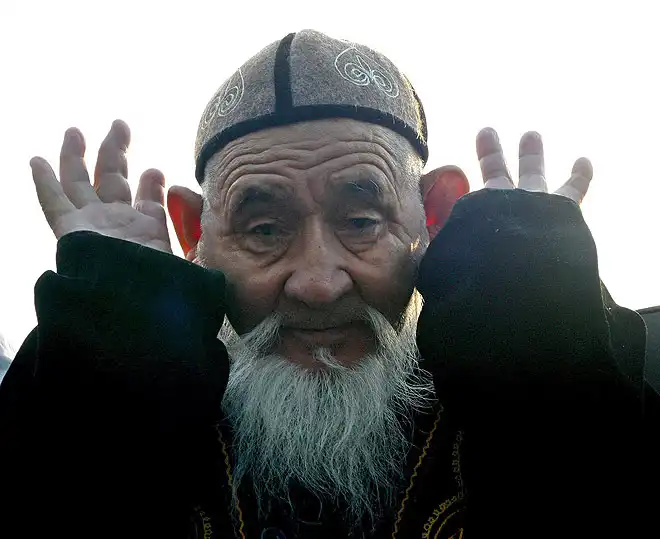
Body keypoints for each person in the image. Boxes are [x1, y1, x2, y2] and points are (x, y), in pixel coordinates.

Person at [0, 30, 653, 538]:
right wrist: (103, 354)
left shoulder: (506, 371)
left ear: (434, 216)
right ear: (195, 231)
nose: (317, 283)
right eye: (263, 229)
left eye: (361, 221)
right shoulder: (141, 383)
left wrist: (547, 352)